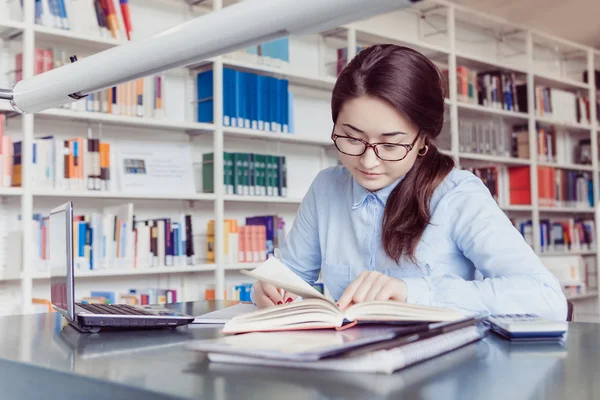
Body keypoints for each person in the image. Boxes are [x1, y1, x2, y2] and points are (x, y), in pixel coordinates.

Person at [251, 44, 568, 321]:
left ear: (422, 140)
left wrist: (411, 292)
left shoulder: (457, 195)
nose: (368, 162)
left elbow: (546, 297)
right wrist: (269, 290)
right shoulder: (326, 189)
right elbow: (290, 278)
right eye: (351, 138)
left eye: (390, 145)